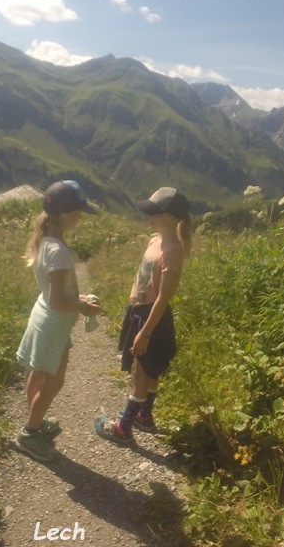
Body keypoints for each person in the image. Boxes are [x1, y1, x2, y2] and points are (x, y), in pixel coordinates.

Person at [95, 187, 192, 444]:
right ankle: (144, 416)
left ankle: (123, 428)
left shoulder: (173, 251)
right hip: (139, 313)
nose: (149, 217)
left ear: (173, 217)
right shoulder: (155, 240)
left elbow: (163, 298)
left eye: (155, 212)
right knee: (148, 372)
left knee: (140, 373)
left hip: (152, 319)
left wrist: (145, 333)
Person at [15, 180, 103, 462]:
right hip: (54, 324)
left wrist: (78, 296)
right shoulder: (60, 252)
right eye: (78, 213)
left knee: (39, 372)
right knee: (54, 381)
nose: (80, 218)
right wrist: (84, 307)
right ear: (66, 214)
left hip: (43, 317)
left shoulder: (45, 240)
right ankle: (30, 433)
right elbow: (58, 301)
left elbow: (56, 293)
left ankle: (36, 420)